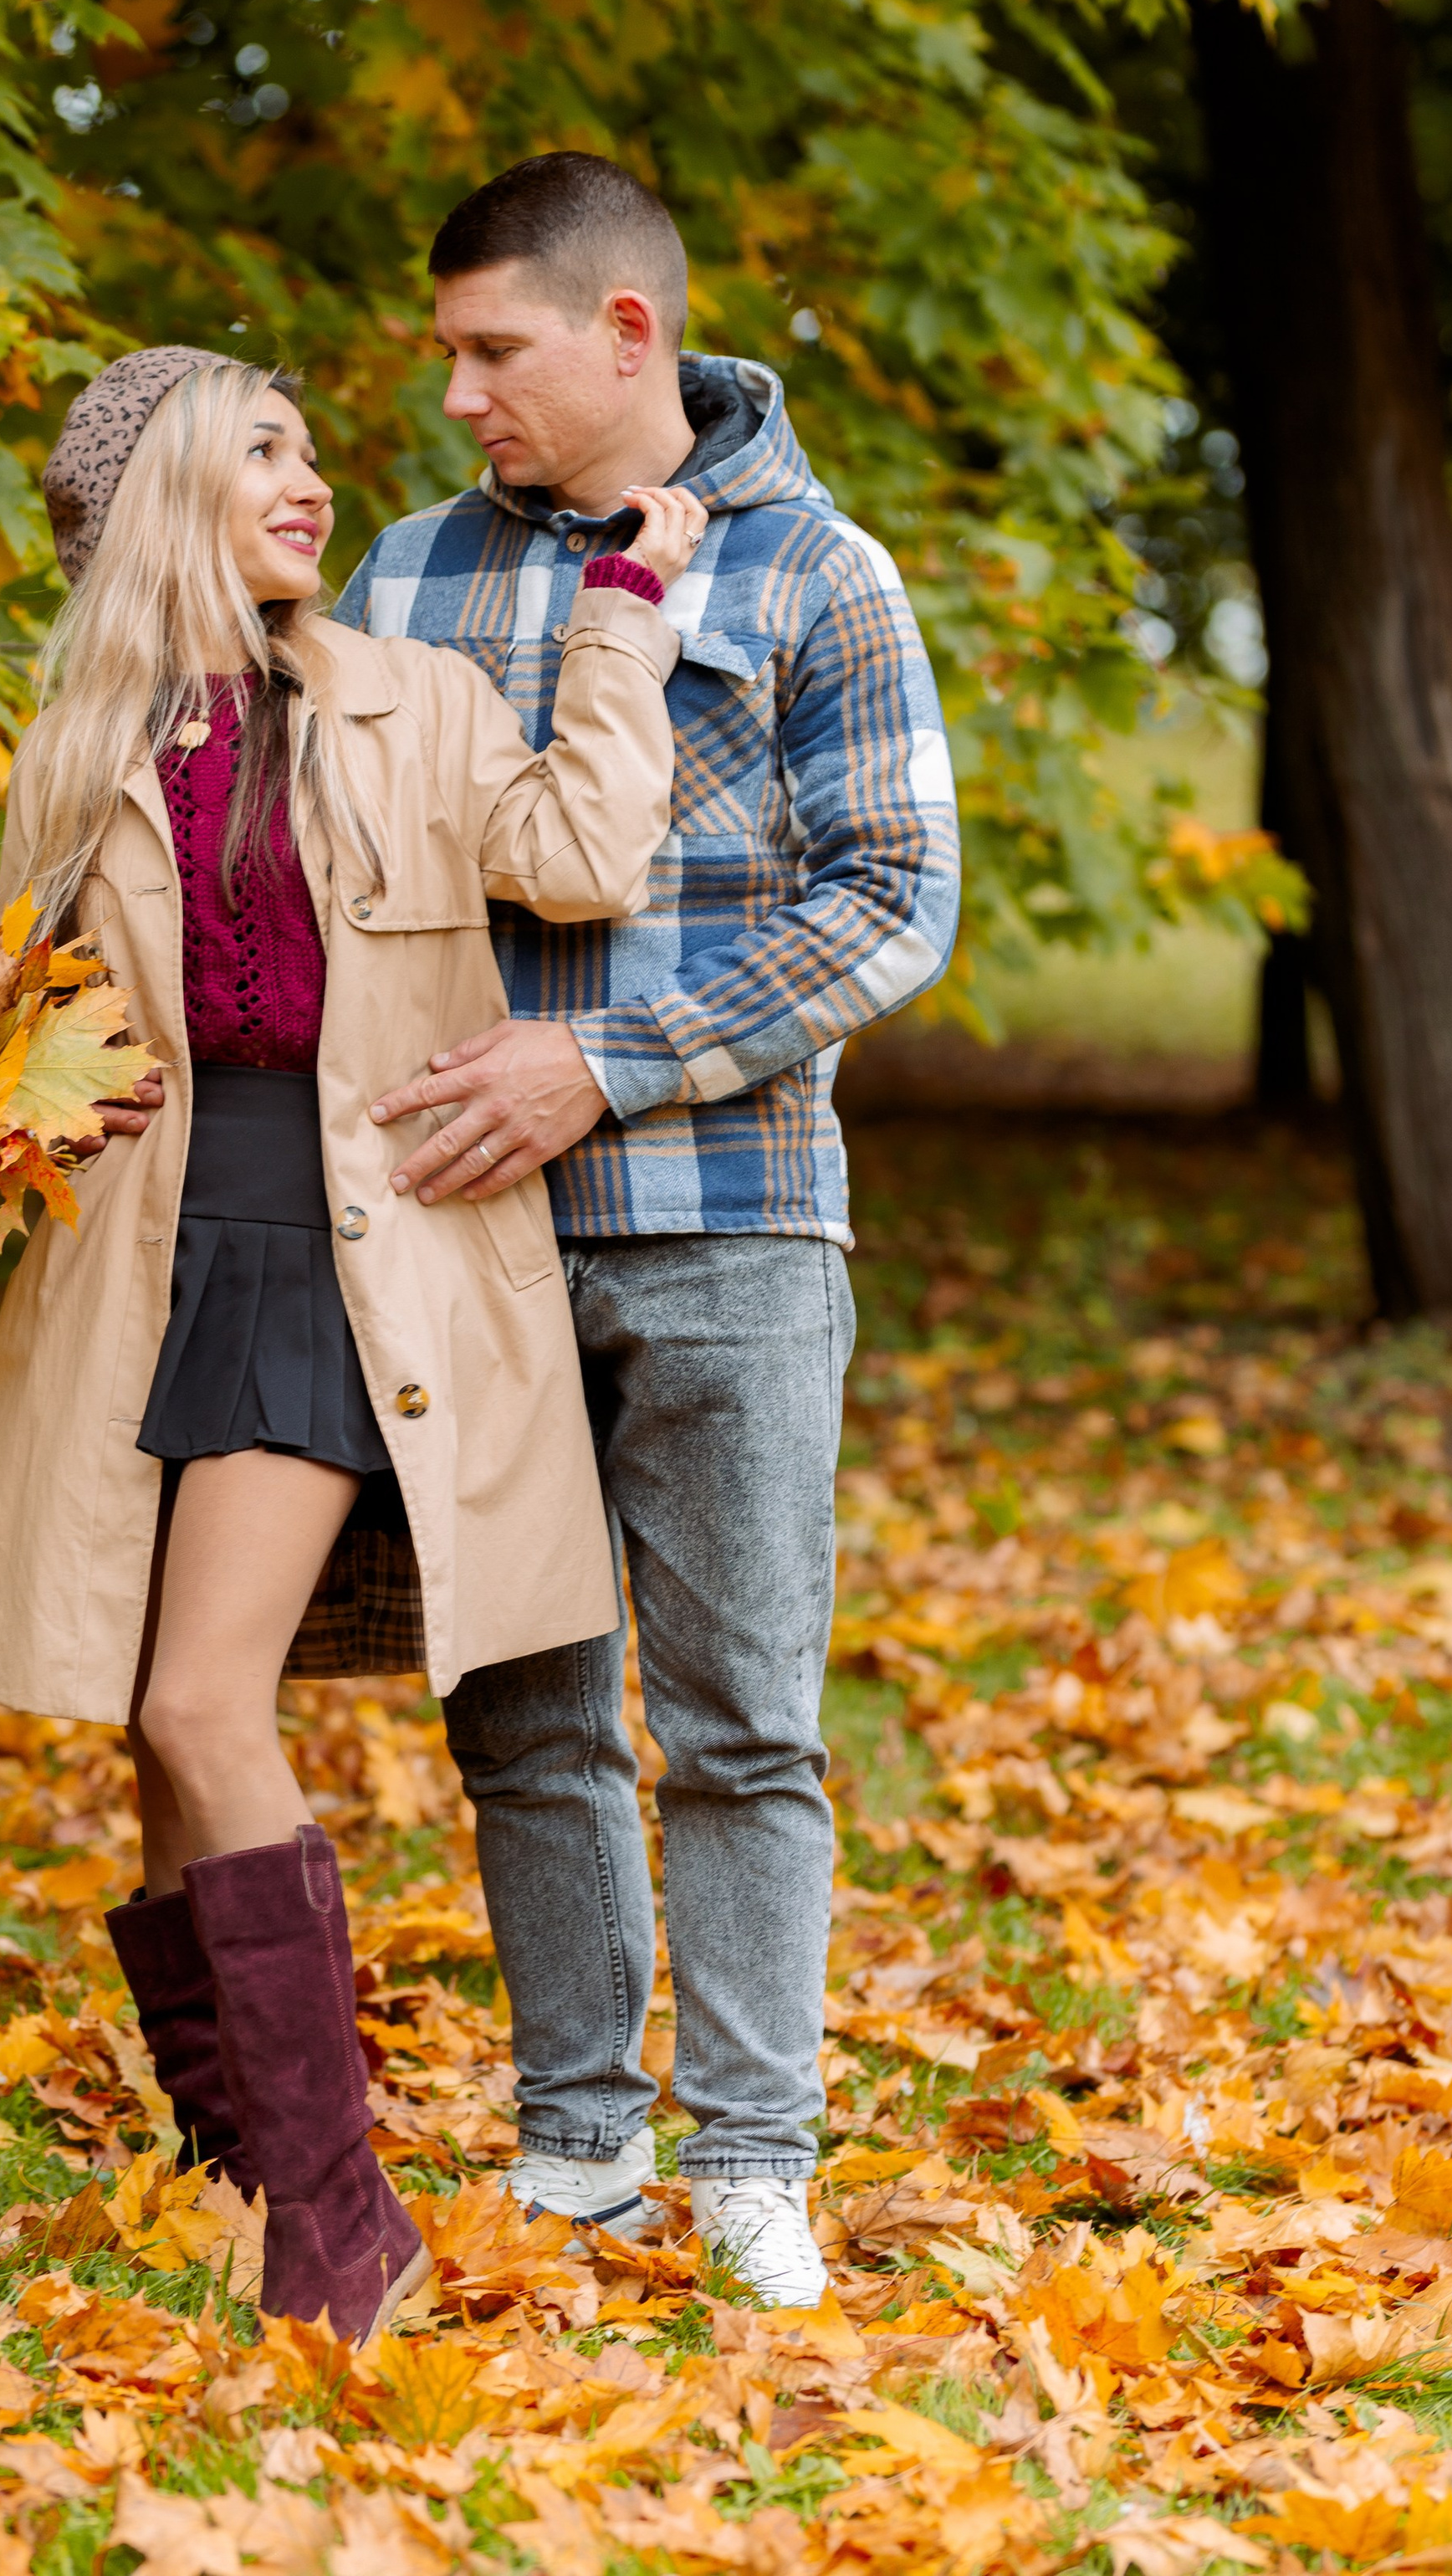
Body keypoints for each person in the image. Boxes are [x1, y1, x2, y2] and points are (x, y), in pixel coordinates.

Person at [0, 345, 704, 2343]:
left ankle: (337, 2207)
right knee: (145, 1721)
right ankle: (240, 2162)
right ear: (161, 503)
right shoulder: (82, 744)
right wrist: (10, 1087)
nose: (308, 483)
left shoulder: (406, 700)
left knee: (207, 1708)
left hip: (338, 1261)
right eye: (258, 455)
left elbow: (579, 855)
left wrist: (619, 623)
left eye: (304, 449)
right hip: (141, 1273)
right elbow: (30, 1016)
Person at [336, 155, 960, 2310]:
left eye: (489, 350)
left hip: (728, 1223)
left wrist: (604, 1063)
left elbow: (893, 896)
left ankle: (756, 2159)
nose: (454, 398)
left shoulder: (819, 576)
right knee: (518, 1704)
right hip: (458, 1245)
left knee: (738, 1717)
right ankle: (580, 2141)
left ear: (623, 337)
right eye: (443, 353)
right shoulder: (403, 580)